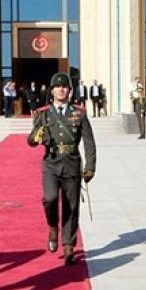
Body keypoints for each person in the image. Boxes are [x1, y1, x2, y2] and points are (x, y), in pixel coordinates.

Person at [27, 72, 97, 265]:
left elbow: (89, 142)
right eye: (57, 87)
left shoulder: (79, 113)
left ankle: (68, 245)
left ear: (69, 90)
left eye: (64, 86)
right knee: (49, 199)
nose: (61, 89)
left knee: (71, 206)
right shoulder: (43, 114)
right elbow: (31, 140)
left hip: (71, 162)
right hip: (51, 162)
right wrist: (36, 137)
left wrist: (90, 166)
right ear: (52, 91)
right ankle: (52, 226)